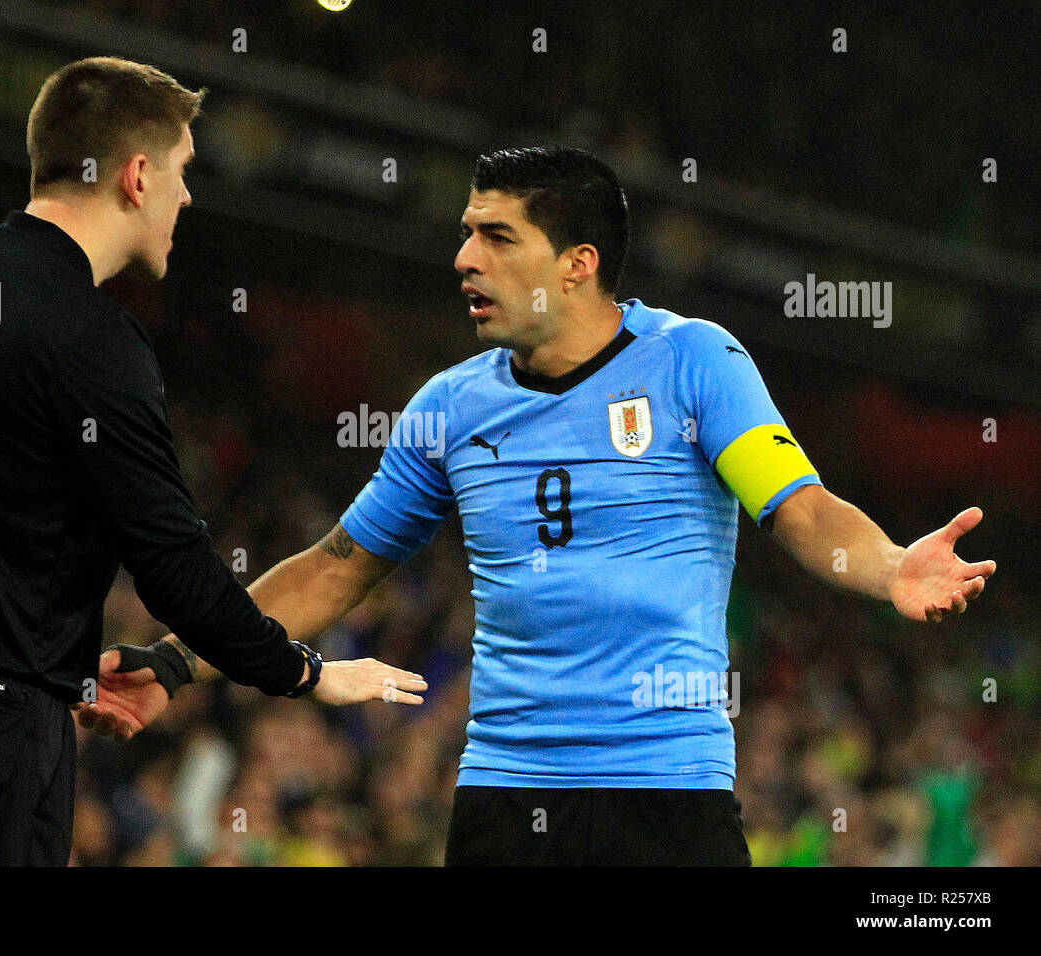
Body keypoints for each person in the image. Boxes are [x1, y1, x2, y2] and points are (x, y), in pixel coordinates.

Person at [82, 145, 996, 866]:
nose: (464, 258)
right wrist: (174, 661)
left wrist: (887, 568)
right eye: (467, 233)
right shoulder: (449, 406)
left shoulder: (696, 363)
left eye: (497, 237)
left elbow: (798, 507)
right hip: (508, 798)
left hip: (667, 793)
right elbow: (336, 569)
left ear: (577, 265)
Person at [0, 56, 425, 868]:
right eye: (182, 172)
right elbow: (173, 565)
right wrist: (304, 673)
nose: (188, 196)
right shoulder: (91, 338)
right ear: (136, 175)